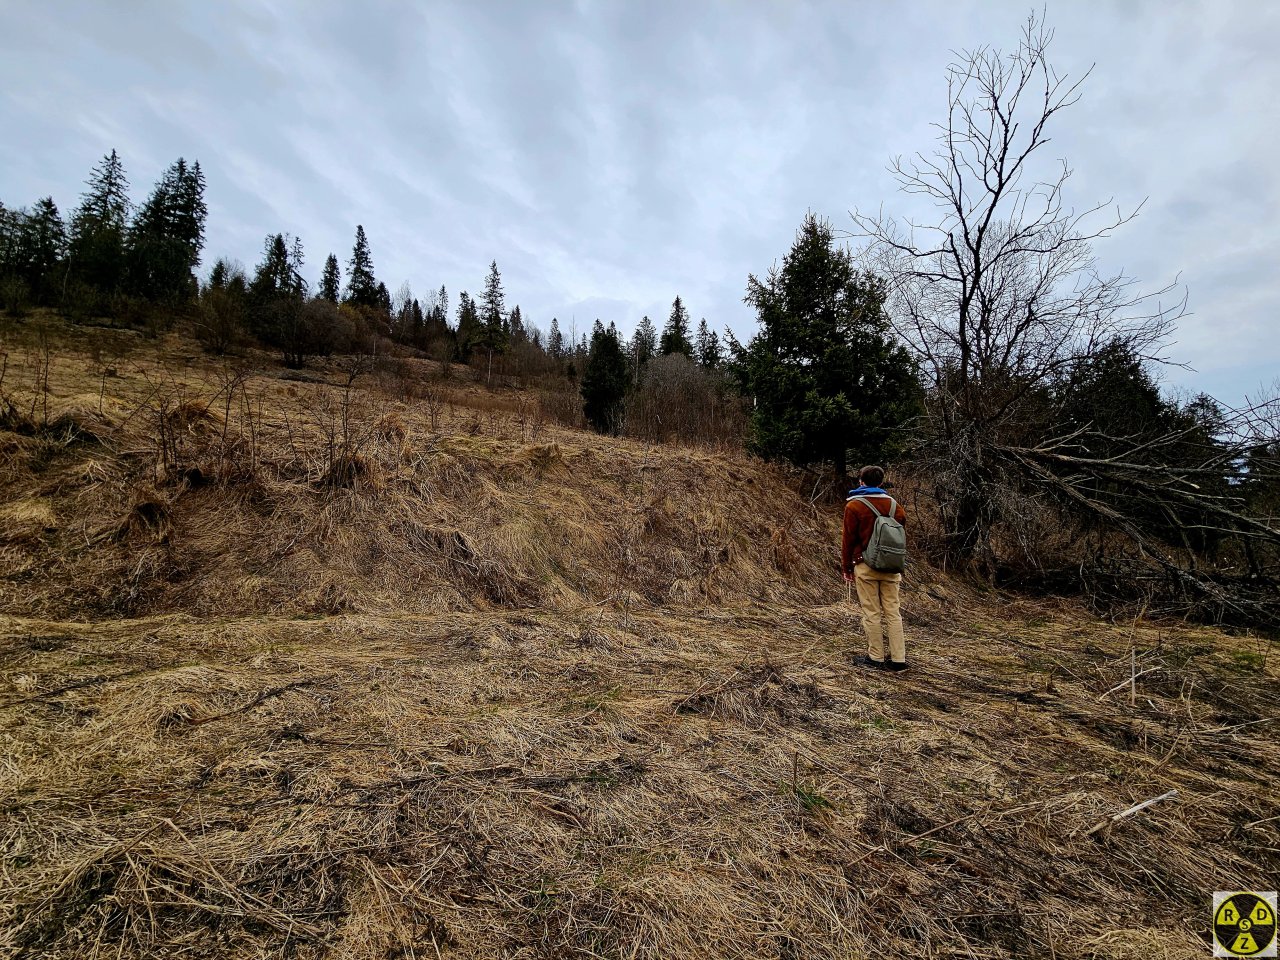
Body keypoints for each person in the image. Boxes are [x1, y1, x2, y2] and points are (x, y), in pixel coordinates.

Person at [842, 464, 909, 672]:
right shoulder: (895, 506)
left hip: (865, 565)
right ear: (881, 482)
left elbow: (848, 539)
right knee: (893, 612)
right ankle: (899, 659)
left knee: (871, 613)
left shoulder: (854, 506)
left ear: (861, 481)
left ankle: (876, 658)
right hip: (891, 566)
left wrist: (847, 567)